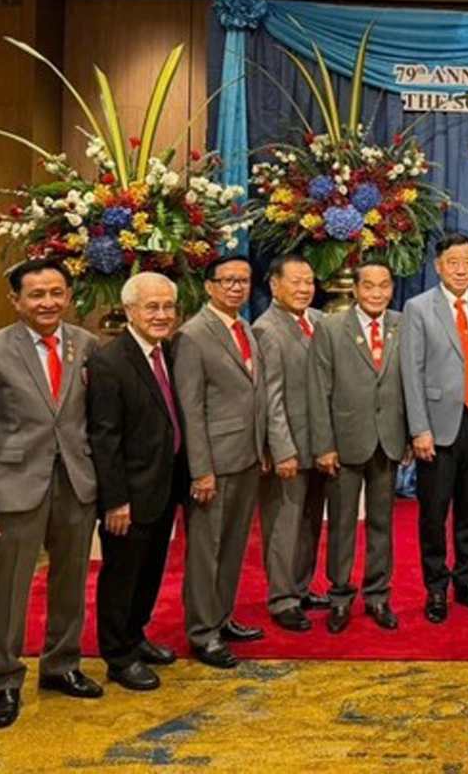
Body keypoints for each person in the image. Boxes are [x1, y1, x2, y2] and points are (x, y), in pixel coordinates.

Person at [0, 259, 102, 729]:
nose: (48, 302)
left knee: (71, 580)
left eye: (56, 293)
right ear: (16, 300)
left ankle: (62, 664)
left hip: (75, 480)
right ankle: (4, 679)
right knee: (7, 587)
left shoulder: (85, 343)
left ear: (69, 296)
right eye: (37, 295)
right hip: (13, 486)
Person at [87, 272, 187, 692]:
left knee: (149, 572)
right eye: (152, 307)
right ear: (129, 311)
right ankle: (118, 655)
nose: (162, 315)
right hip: (129, 493)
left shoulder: (169, 353)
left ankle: (136, 634)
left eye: (168, 307)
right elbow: (104, 438)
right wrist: (115, 501)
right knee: (122, 577)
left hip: (163, 486)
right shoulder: (110, 363)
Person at [175, 255, 274, 668]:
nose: (236, 287)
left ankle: (222, 616)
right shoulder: (192, 335)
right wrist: (201, 470)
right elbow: (191, 409)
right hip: (214, 463)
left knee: (233, 546)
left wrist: (262, 445)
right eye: (228, 280)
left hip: (246, 456)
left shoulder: (244, 327)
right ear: (208, 286)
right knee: (206, 550)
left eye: (244, 281)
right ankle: (202, 632)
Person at [402, 232, 468, 623]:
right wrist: (419, 429)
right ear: (438, 266)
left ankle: (467, 582)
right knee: (434, 513)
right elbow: (411, 372)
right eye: (453, 262)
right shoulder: (418, 307)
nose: (462, 269)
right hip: (437, 427)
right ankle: (436, 587)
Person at [308, 260, 407, 634]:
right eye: (369, 286)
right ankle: (339, 596)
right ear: (355, 290)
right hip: (345, 441)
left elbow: (411, 383)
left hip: (388, 440)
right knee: (342, 524)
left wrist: (410, 435)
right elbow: (318, 390)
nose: (376, 293)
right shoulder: (331, 327)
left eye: (384, 286)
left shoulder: (403, 324)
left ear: (392, 289)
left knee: (382, 523)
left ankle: (378, 595)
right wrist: (324, 445)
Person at [252, 254, 327, 633]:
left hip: (321, 445)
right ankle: (282, 598)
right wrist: (282, 449)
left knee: (311, 521)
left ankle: (301, 586)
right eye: (295, 282)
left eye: (309, 281)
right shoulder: (266, 329)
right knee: (284, 524)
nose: (304, 289)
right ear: (274, 285)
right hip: (290, 448)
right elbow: (270, 397)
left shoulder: (320, 321)